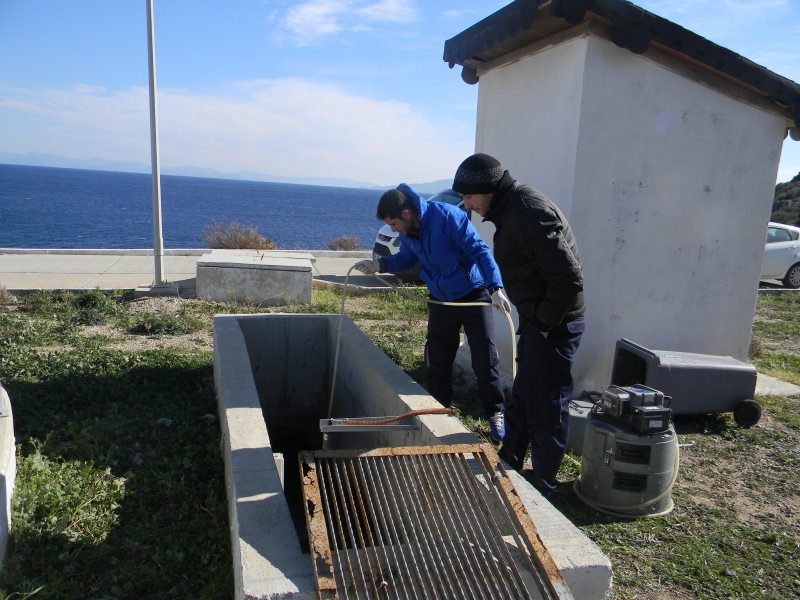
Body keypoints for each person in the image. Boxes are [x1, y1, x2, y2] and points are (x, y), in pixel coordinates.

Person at [453, 153, 585, 498]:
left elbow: (569, 280)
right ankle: (510, 460)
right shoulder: (510, 210)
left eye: (468, 197)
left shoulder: (529, 212)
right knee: (524, 397)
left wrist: (543, 322)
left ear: (488, 189)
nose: (465, 205)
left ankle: (544, 483)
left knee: (548, 405)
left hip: (554, 325)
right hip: (536, 321)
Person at [354, 184, 512, 441]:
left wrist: (496, 287)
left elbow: (478, 250)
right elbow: (407, 258)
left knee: (485, 361)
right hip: (440, 300)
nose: (392, 230)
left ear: (406, 213)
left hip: (473, 295)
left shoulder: (448, 216)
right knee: (437, 361)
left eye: (393, 224)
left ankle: (495, 413)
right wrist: (378, 264)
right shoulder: (408, 231)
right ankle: (441, 411)